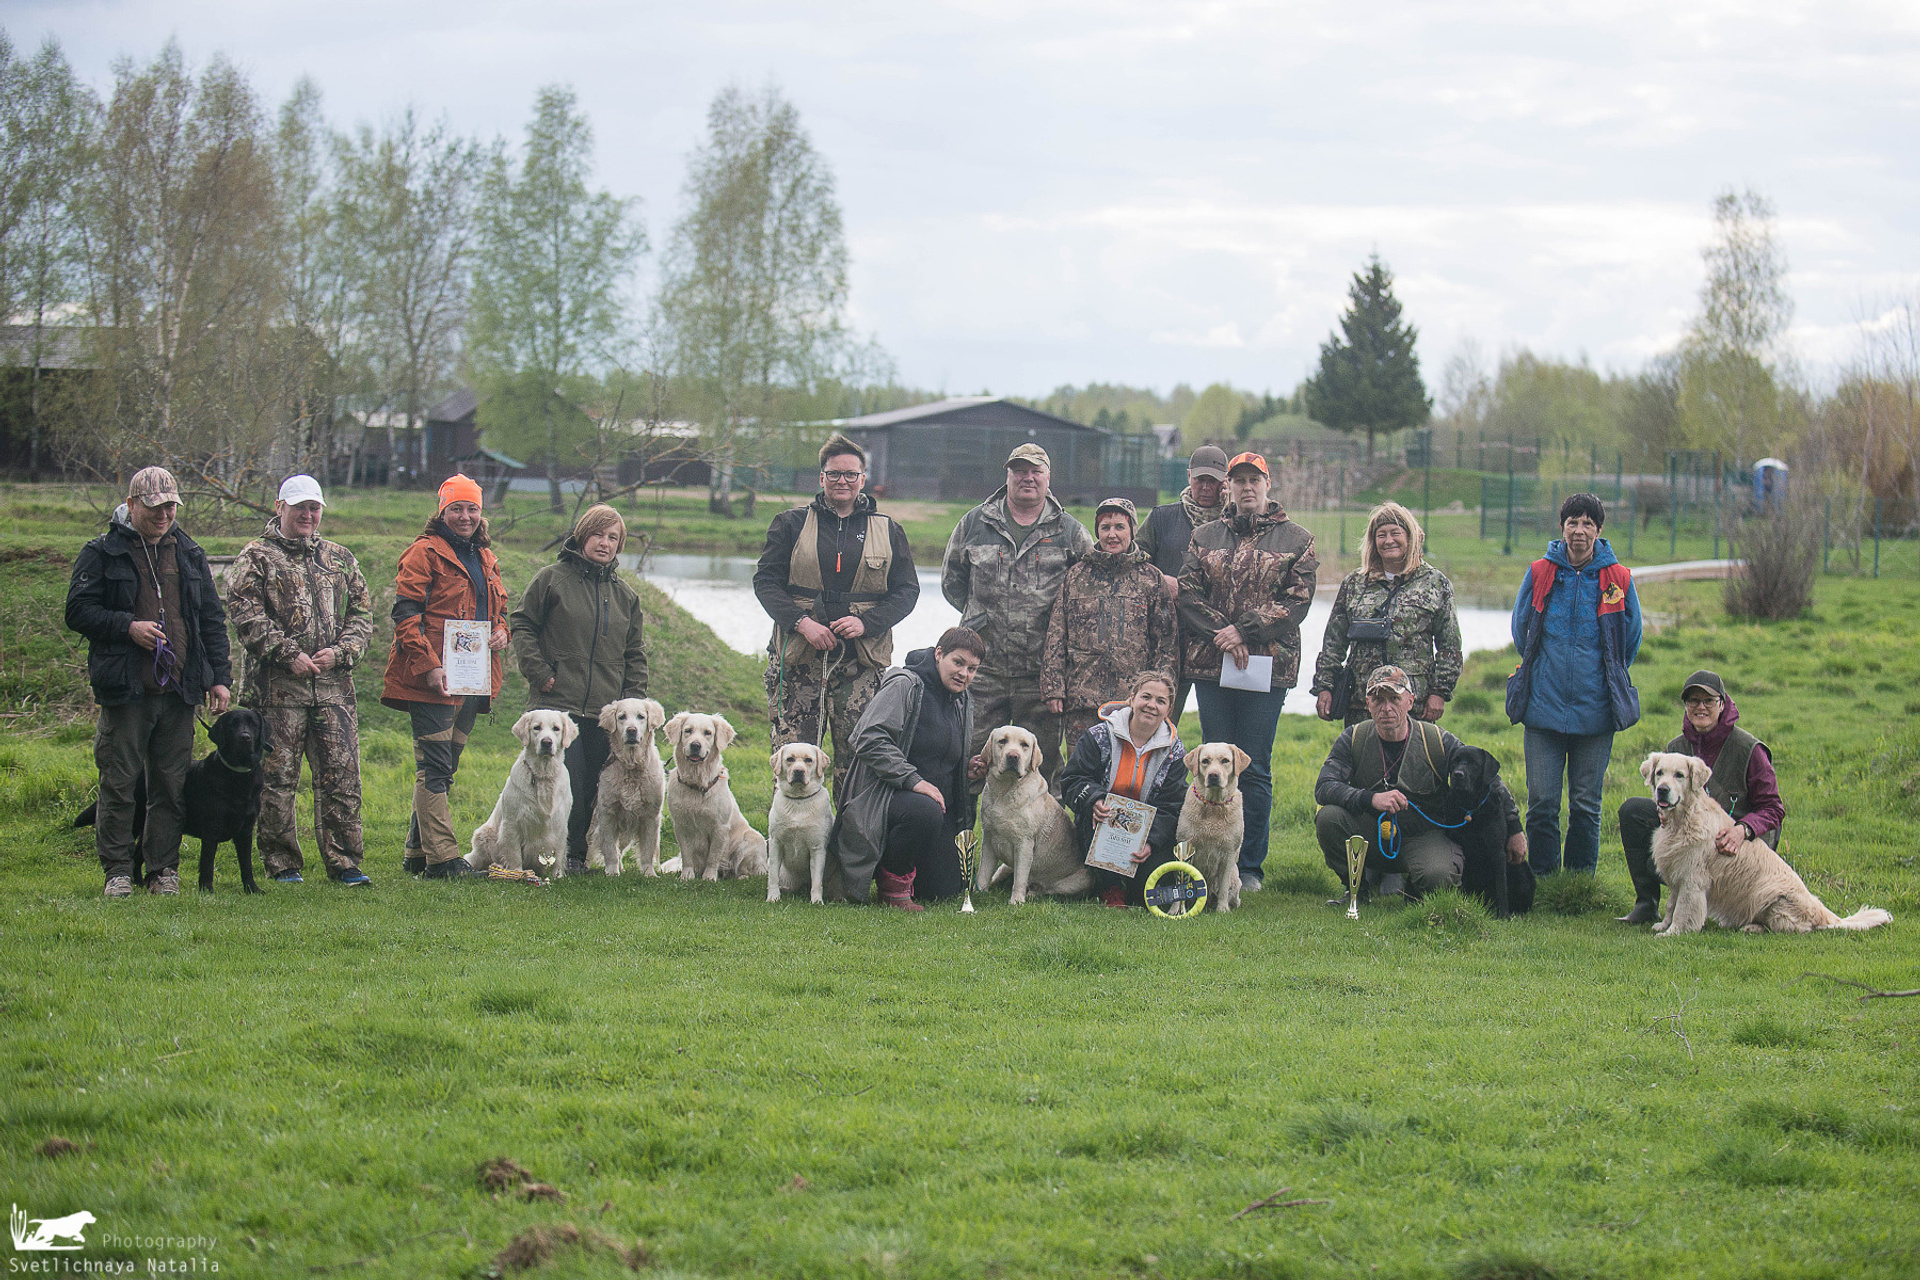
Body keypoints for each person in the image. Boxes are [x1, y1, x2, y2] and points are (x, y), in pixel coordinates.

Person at [65, 466, 233, 898]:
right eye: (157, 507)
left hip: (180, 692)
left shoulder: (189, 553)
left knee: (170, 787)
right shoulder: (101, 552)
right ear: (133, 503)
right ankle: (118, 871)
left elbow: (211, 620)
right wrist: (127, 627)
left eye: (171, 506)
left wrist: (218, 678)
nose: (165, 515)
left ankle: (162, 870)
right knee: (119, 785)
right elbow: (77, 611)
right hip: (126, 691)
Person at [1175, 451, 1318, 894]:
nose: (1247, 488)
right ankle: (1199, 858)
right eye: (1238, 482)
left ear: (1267, 485)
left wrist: (1246, 630)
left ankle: (1248, 866)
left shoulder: (1297, 538)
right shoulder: (1205, 534)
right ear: (1228, 489)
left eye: (1254, 480)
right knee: (1209, 763)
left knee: (1254, 766)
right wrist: (1224, 633)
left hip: (1267, 669)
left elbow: (1298, 600)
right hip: (1212, 666)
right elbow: (1187, 591)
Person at [226, 475, 375, 886]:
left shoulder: (340, 558)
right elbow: (244, 613)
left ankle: (345, 862)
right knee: (277, 779)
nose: (308, 515)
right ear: (280, 507)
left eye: (314, 508)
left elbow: (363, 615)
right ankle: (282, 862)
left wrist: (341, 652)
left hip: (333, 691)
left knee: (342, 777)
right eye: (299, 507)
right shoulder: (256, 557)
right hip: (276, 694)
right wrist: (287, 653)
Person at [755, 434, 919, 801]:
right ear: (821, 478)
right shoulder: (790, 524)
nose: (842, 481)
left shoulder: (889, 529)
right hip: (798, 661)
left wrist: (867, 623)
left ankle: (848, 854)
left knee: (858, 760)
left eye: (850, 474)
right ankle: (788, 854)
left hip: (860, 664)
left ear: (863, 478)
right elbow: (766, 583)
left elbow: (907, 592)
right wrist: (803, 624)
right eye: (834, 474)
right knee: (792, 760)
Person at [382, 474, 510, 880]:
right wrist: (429, 666)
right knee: (435, 765)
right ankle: (443, 861)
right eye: (457, 508)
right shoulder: (423, 553)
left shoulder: (486, 557)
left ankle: (415, 853)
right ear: (442, 510)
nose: (465, 516)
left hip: (473, 678)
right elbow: (406, 615)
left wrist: (502, 631)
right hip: (433, 679)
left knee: (444, 765)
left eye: (472, 508)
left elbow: (500, 610)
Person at [510, 503, 649, 875]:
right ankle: (537, 852)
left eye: (613, 538)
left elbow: (634, 653)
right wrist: (539, 673)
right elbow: (521, 625)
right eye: (598, 534)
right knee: (561, 781)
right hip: (557, 705)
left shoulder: (626, 597)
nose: (604, 543)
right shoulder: (551, 579)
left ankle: (575, 856)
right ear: (582, 535)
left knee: (590, 786)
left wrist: (633, 701)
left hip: (605, 712)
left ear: (619, 546)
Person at [1507, 492, 1642, 876]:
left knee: (1586, 803)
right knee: (1542, 802)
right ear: (1562, 527)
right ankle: (1543, 881)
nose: (1579, 531)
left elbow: (1629, 639)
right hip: (1542, 708)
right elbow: (1522, 631)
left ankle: (1580, 883)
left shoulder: (1618, 578)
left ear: (1599, 531)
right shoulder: (1539, 573)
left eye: (1587, 524)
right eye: (1572, 523)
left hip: (1596, 711)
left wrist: (1605, 677)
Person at [942, 443, 1092, 785]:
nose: (1027, 478)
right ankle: (962, 835)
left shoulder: (1070, 531)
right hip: (983, 670)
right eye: (1019, 471)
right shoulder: (974, 523)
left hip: (1042, 674)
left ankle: (1044, 838)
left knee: (1042, 770)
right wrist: (983, 618)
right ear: (1007, 476)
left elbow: (1086, 594)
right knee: (969, 764)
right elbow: (952, 583)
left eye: (1035, 471)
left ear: (1048, 477)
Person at [1314, 666, 1525, 901]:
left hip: (1423, 835)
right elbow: (1324, 786)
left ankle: (1415, 885)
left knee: (1438, 877)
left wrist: (1515, 829)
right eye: (1378, 700)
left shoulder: (1436, 740)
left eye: (1395, 699)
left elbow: (1489, 780)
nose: (1387, 708)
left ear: (1410, 701)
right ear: (1367, 703)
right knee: (1328, 817)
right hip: (1371, 832)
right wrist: (1371, 798)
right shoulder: (1353, 738)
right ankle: (1356, 889)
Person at [1614, 669, 1784, 924]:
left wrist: (1743, 830)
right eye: (1693, 701)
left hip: (1739, 845)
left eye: (1708, 701)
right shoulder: (1676, 748)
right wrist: (1663, 810)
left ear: (1723, 704)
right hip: (1690, 836)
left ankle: (1701, 913)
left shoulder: (1749, 749)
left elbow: (1773, 808)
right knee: (1633, 811)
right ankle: (1646, 903)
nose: (1700, 707)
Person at [832, 627, 984, 910]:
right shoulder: (905, 684)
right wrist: (913, 780)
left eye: (973, 669)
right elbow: (867, 739)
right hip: (886, 799)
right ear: (939, 654)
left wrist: (967, 770)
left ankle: (907, 867)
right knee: (923, 808)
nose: (964, 674)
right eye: (958, 662)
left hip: (933, 809)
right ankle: (892, 885)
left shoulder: (963, 700)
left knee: (943, 890)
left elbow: (940, 757)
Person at [1041, 497, 1178, 746]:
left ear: (1132, 531)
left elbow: (1165, 643)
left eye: (1119, 527)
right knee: (1081, 773)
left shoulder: (1151, 578)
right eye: (1105, 528)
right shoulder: (1077, 576)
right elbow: (1056, 634)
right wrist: (1053, 687)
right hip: (1082, 699)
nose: (1112, 535)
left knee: (1126, 776)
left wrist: (1161, 696)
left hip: (1133, 704)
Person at [1311, 502, 1462, 727]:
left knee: (1413, 761)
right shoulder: (1355, 584)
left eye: (1395, 533)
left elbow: (1450, 646)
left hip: (1414, 702)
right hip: (1362, 702)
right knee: (1363, 759)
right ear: (1373, 542)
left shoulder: (1435, 583)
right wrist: (1325, 686)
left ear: (1410, 537)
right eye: (1381, 535)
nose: (1388, 540)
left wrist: (1440, 692)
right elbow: (1334, 642)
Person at [1057, 671, 1189, 908]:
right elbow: (1072, 779)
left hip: (1147, 832)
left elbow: (1174, 805)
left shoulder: (1175, 752)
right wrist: (1094, 801)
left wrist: (1151, 842)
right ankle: (1109, 885)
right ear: (1132, 698)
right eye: (1146, 697)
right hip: (1099, 826)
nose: (1151, 705)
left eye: (1161, 701)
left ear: (1169, 710)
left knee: (1145, 894)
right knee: (1099, 867)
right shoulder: (1098, 737)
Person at [1137, 445, 1229, 721]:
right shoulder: (1162, 518)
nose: (1205, 486)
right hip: (1168, 636)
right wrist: (1160, 579)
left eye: (1212, 480)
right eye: (1199, 478)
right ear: (1188, 476)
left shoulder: (1236, 523)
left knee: (1219, 727)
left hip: (1218, 638)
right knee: (1160, 720)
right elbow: (1132, 561)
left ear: (1225, 482)